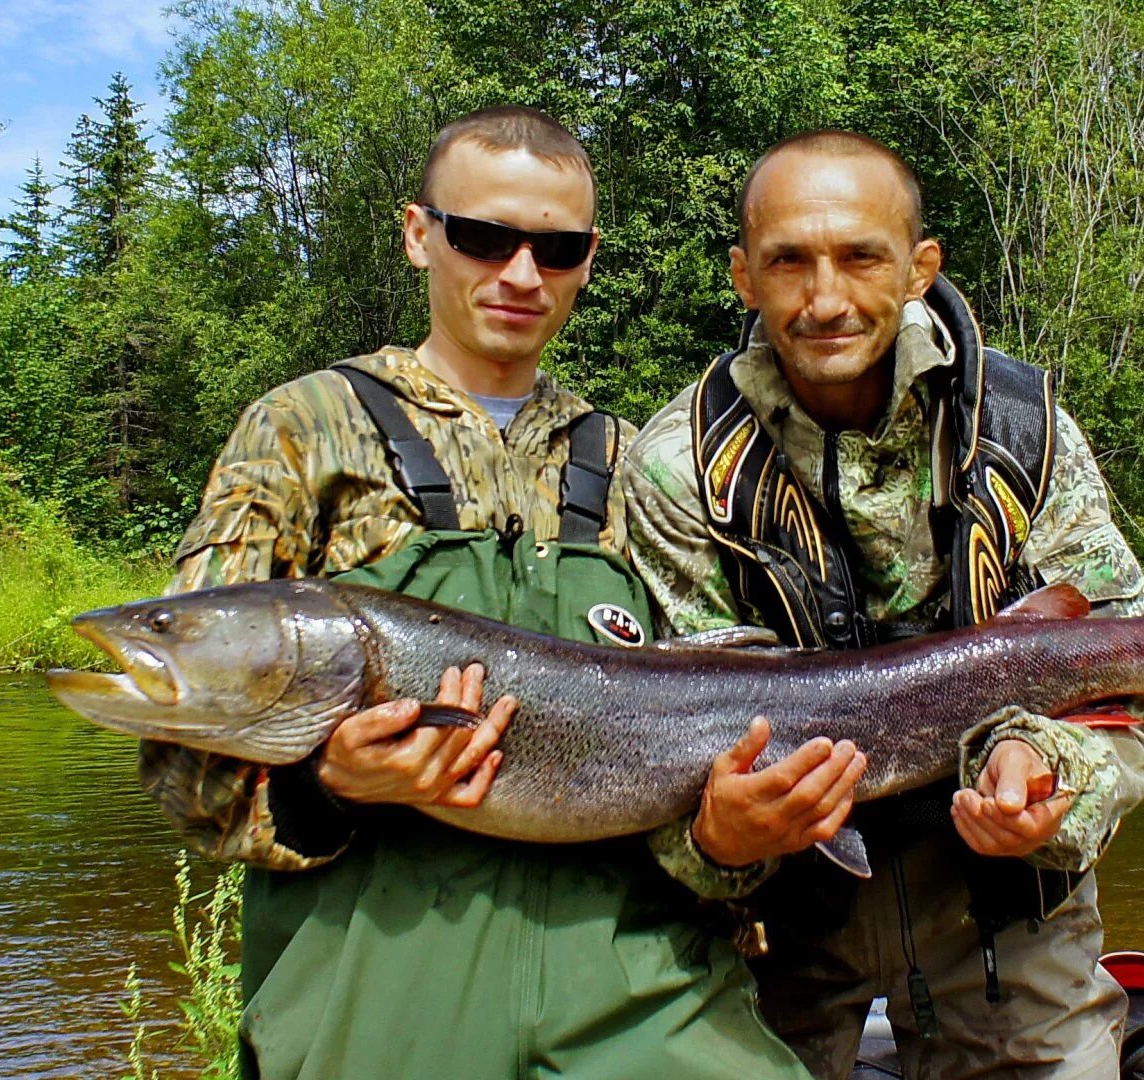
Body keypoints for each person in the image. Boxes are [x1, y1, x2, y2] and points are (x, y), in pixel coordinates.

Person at [138, 106, 811, 1080]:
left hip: (640, 992)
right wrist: (325, 787)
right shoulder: (302, 431)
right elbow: (182, 768)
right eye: (484, 237)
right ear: (421, 235)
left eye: (557, 246)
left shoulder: (646, 467)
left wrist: (731, 841)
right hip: (376, 997)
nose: (521, 273)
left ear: (589, 259)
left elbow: (720, 762)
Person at [622, 129, 1144, 1079]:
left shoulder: (1020, 430)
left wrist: (1051, 779)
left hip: (1003, 911)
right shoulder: (677, 468)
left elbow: (1129, 696)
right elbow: (651, 746)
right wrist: (717, 838)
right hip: (776, 921)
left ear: (919, 268)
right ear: (744, 277)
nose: (824, 298)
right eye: (788, 261)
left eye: (859, 257)